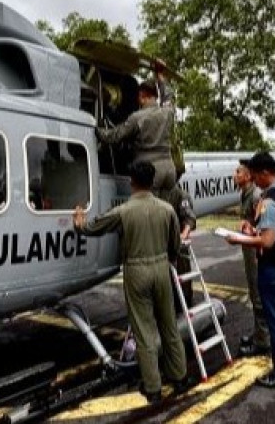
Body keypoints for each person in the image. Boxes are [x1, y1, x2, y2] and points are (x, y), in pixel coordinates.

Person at [73, 161, 194, 403]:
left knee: (144, 330)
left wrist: (79, 223)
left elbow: (93, 227)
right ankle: (179, 377)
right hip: (161, 267)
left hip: (136, 270)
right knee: (169, 325)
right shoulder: (167, 209)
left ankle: (153, 387)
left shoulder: (124, 211)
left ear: (132, 182)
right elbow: (175, 245)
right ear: (152, 182)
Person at [96, 77, 197, 303]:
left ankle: (159, 264)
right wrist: (162, 78)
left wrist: (97, 130)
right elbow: (170, 97)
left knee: (152, 221)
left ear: (142, 96)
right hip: (169, 170)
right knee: (169, 212)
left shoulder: (137, 117)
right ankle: (176, 252)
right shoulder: (167, 112)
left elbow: (115, 136)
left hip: (150, 171)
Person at [223, 151, 275, 389]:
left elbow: (268, 241)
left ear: (263, 174)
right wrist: (254, 230)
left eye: (253, 176)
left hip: (274, 266)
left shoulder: (269, 201)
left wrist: (239, 239)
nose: (253, 181)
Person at [233, 161, 270, 356]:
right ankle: (259, 333)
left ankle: (263, 340)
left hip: (255, 250)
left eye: (238, 172)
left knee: (258, 294)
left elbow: (263, 227)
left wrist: (250, 229)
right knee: (253, 291)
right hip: (249, 249)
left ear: (248, 176)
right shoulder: (244, 194)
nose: (235, 174)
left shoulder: (256, 196)